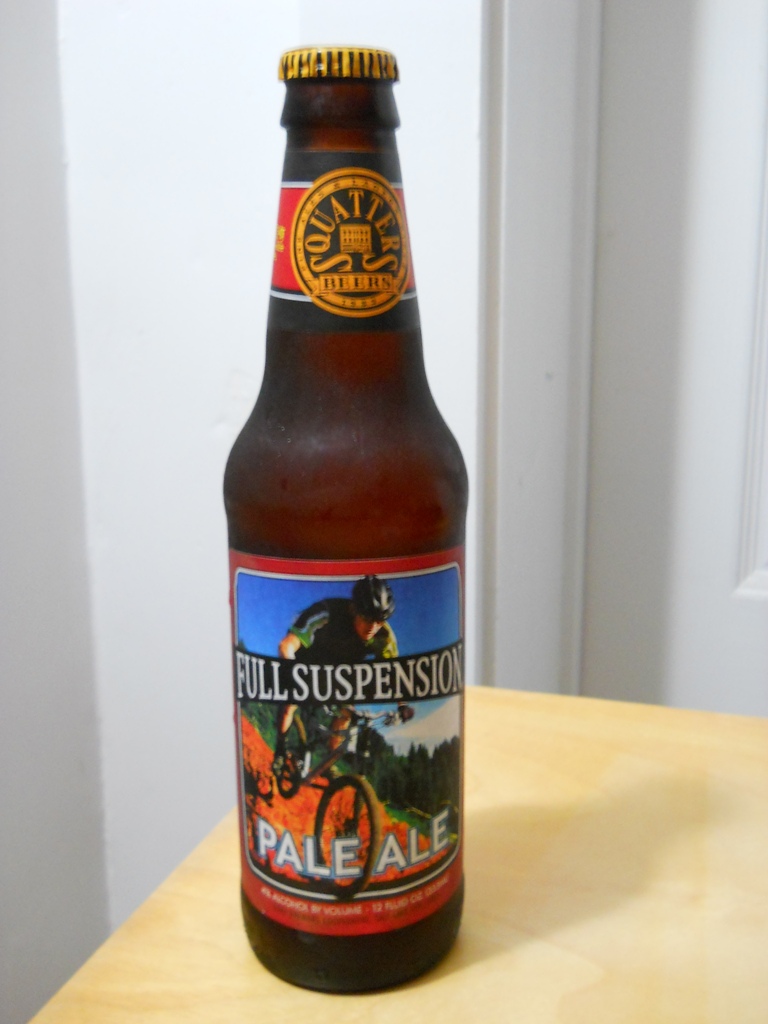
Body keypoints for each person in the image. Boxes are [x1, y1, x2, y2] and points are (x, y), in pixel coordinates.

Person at [274, 576, 398, 770]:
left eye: (379, 621)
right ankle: (280, 750)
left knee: (346, 714)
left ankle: (328, 767)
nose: (372, 628)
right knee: (290, 704)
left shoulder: (384, 636)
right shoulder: (326, 612)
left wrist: (403, 705)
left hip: (339, 672)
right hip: (307, 659)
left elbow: (396, 673)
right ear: (353, 609)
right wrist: (294, 676)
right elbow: (286, 645)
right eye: (367, 618)